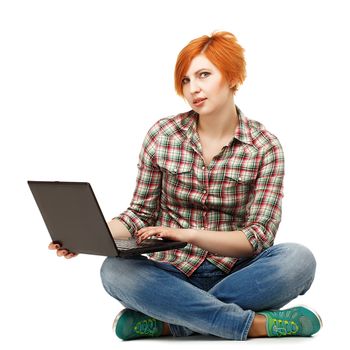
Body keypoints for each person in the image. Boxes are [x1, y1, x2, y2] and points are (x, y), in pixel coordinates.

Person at [49, 31, 322, 341]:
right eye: (186, 80)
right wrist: (86, 236)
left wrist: (189, 235)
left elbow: (257, 238)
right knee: (114, 271)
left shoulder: (264, 146)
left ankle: (170, 321)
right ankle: (251, 325)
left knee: (298, 260)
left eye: (204, 75)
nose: (194, 88)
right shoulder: (162, 135)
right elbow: (139, 214)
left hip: (238, 273)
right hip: (170, 273)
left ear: (232, 76)